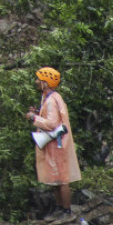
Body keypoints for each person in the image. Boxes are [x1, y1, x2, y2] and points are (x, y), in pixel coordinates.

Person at [25, 67, 81, 216]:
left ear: (46, 82)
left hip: (57, 144)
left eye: (39, 79)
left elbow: (51, 123)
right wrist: (38, 113)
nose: (36, 82)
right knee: (56, 178)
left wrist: (33, 118)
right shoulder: (49, 98)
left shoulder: (51, 100)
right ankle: (59, 207)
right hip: (55, 144)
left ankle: (66, 209)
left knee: (62, 179)